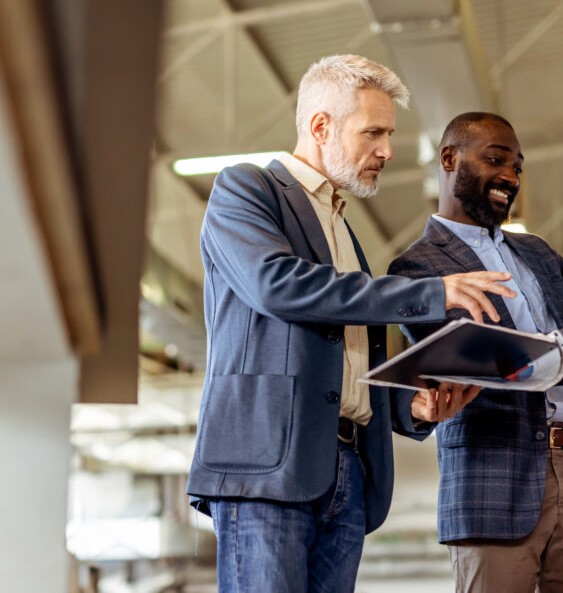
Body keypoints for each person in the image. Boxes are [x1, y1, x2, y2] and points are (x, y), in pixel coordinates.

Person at [186, 56, 517, 593]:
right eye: (374, 132)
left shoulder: (343, 229)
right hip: (270, 466)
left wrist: (408, 406)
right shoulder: (246, 190)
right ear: (321, 127)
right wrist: (430, 291)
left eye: (389, 133)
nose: (387, 150)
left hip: (347, 470)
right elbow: (279, 287)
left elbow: (343, 351)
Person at [387, 112, 563, 593]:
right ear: (449, 158)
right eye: (496, 160)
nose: (511, 178)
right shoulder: (416, 268)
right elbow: (482, 361)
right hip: (492, 477)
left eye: (518, 168)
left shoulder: (538, 253)